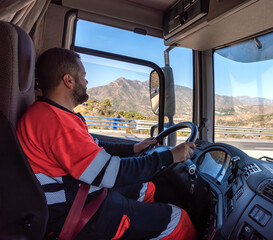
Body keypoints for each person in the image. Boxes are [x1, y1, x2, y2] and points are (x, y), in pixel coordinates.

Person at [16, 48, 197, 240]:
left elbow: (93, 145)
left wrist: (133, 148)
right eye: (83, 76)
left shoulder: (52, 114)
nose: (86, 82)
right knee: (178, 220)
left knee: (148, 189)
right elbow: (110, 173)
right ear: (68, 81)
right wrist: (169, 156)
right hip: (72, 214)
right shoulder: (56, 123)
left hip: (80, 192)